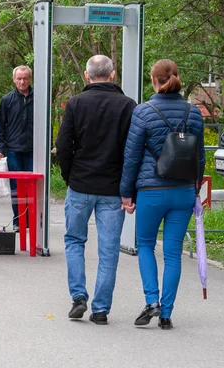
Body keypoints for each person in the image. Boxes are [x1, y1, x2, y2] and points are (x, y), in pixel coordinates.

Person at [120, 59, 205, 330]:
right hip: (182, 191)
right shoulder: (193, 112)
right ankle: (166, 314)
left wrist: (126, 193)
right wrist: (195, 188)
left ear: (154, 81)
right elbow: (200, 157)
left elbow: (131, 157)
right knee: (172, 254)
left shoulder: (143, 112)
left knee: (145, 245)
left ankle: (152, 301)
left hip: (151, 191)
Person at [56, 55, 136, 325]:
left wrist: (69, 177)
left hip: (80, 184)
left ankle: (78, 296)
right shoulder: (128, 106)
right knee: (109, 249)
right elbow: (132, 151)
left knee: (74, 241)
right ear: (113, 75)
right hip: (113, 188)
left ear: (87, 76)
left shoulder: (76, 103)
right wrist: (128, 186)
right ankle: (100, 309)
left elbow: (64, 145)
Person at [0, 65, 34, 231]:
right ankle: (19, 222)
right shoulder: (7, 100)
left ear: (30, 79)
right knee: (17, 188)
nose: (22, 81)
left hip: (33, 151)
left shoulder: (38, 98)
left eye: (25, 78)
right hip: (14, 150)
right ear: (14, 80)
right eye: (19, 78)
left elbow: (46, 124)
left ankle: (33, 221)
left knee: (33, 187)